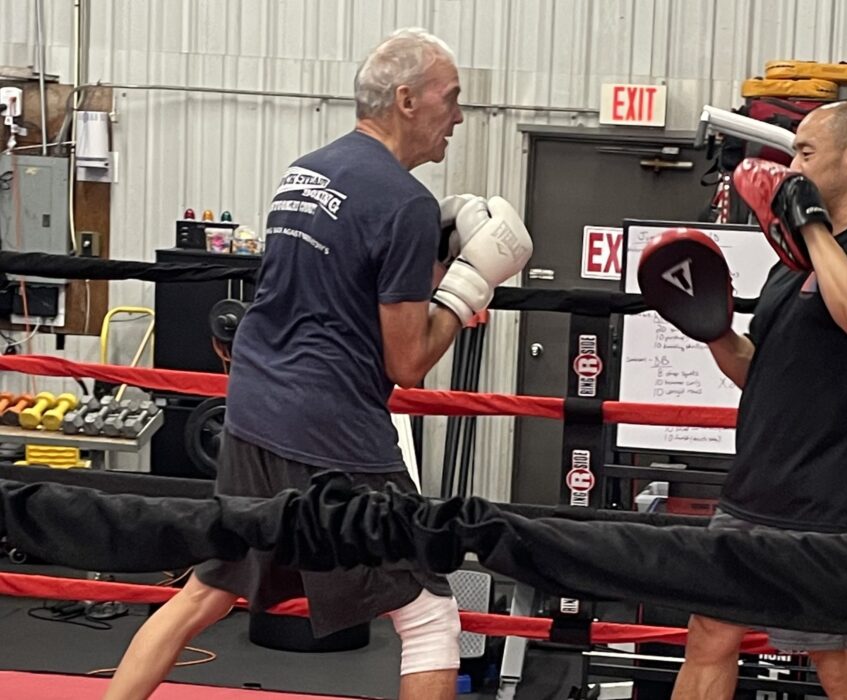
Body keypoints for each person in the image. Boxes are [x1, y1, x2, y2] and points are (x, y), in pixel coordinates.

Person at [104, 28, 532, 700]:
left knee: (208, 591)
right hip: (331, 426)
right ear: (407, 100)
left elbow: (339, 288)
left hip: (253, 409)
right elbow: (410, 360)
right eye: (452, 99)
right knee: (428, 614)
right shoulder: (404, 204)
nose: (459, 117)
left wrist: (433, 257)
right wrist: (469, 284)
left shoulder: (306, 171)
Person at [638, 100, 847, 699]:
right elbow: (760, 373)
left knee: (837, 666)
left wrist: (815, 228)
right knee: (709, 637)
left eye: (805, 152)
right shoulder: (788, 260)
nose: (791, 167)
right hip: (753, 488)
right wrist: (715, 330)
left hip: (830, 504)